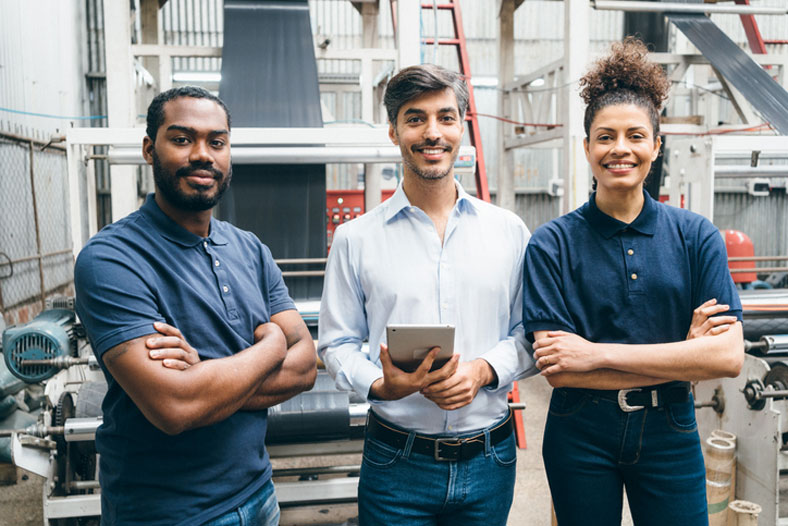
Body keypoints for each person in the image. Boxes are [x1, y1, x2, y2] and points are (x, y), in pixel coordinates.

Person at [523, 38, 744, 526]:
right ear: (586, 147)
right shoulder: (550, 245)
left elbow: (727, 357)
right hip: (580, 430)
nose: (619, 148)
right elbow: (560, 371)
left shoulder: (696, 236)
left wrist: (596, 353)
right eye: (605, 136)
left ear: (656, 146)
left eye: (635, 136)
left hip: (671, 428)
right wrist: (683, 358)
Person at [74, 86, 317, 526]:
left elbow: (306, 368)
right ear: (150, 149)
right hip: (165, 512)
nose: (203, 154)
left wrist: (204, 378)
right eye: (182, 139)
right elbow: (174, 408)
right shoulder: (111, 259)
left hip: (259, 494)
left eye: (217, 142)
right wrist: (273, 343)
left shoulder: (250, 249)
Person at [318, 64, 537, 526]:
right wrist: (380, 384)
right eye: (415, 118)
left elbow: (528, 334)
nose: (432, 133)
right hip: (396, 460)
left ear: (462, 127)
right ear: (394, 131)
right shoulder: (356, 238)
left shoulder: (509, 232)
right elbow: (336, 344)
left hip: (489, 461)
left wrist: (483, 370)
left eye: (445, 117)